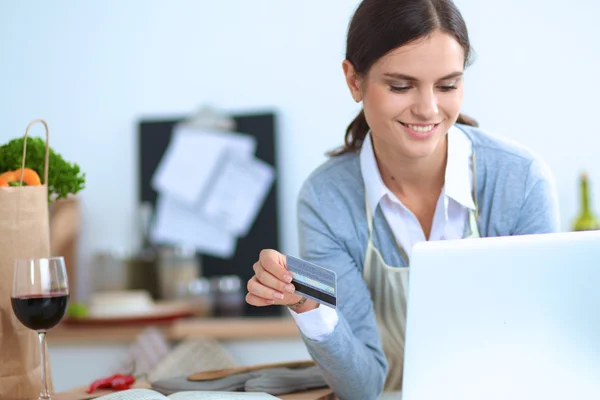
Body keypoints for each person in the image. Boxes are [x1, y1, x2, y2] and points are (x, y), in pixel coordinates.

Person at [245, 0, 560, 398]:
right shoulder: (326, 201)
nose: (428, 109)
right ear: (354, 81)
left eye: (447, 85)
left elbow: (544, 350)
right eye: (400, 86)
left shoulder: (520, 180)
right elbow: (362, 387)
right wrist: (310, 308)